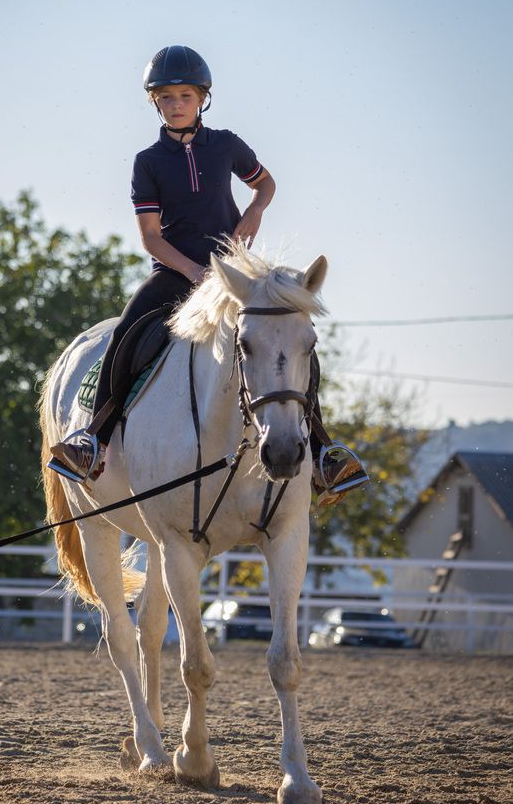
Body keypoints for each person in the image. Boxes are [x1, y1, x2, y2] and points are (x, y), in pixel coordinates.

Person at [49, 45, 368, 506]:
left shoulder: (226, 145)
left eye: (185, 95)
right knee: (126, 334)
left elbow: (266, 182)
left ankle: (322, 450)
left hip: (235, 277)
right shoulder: (148, 161)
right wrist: (194, 270)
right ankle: (92, 440)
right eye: (166, 97)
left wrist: (255, 212)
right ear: (154, 103)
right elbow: (152, 238)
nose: (176, 104)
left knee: (289, 337)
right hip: (176, 274)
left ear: (202, 98)